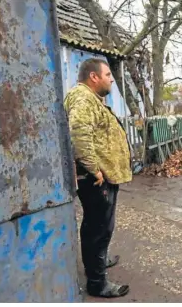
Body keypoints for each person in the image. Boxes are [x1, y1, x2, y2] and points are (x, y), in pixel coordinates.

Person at [63, 58, 132, 298]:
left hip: (104, 176)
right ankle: (97, 282)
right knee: (98, 228)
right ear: (94, 77)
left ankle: (98, 262)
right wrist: (94, 169)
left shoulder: (91, 99)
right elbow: (79, 135)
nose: (111, 79)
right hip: (95, 178)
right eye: (108, 75)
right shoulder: (83, 98)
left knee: (101, 226)